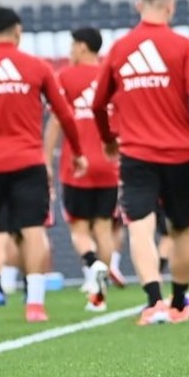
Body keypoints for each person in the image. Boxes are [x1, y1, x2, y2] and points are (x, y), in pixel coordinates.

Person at [91, 0, 189, 326]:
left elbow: (97, 103)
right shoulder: (182, 46)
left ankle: (153, 303)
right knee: (181, 230)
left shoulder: (119, 48)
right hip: (180, 155)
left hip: (136, 154)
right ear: (171, 6)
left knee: (139, 226)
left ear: (141, 5)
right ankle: (180, 304)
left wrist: (108, 137)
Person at [0, 7, 86, 325]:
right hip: (29, 161)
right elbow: (64, 113)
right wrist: (78, 150)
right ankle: (35, 305)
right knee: (33, 229)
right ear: (18, 31)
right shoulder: (37, 67)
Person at [49, 26, 122, 311]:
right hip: (109, 165)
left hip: (76, 166)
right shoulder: (112, 76)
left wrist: (46, 161)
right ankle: (100, 291)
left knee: (79, 229)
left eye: (71, 46)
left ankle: (93, 265)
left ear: (82, 47)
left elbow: (56, 122)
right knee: (103, 228)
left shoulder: (65, 77)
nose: (69, 52)